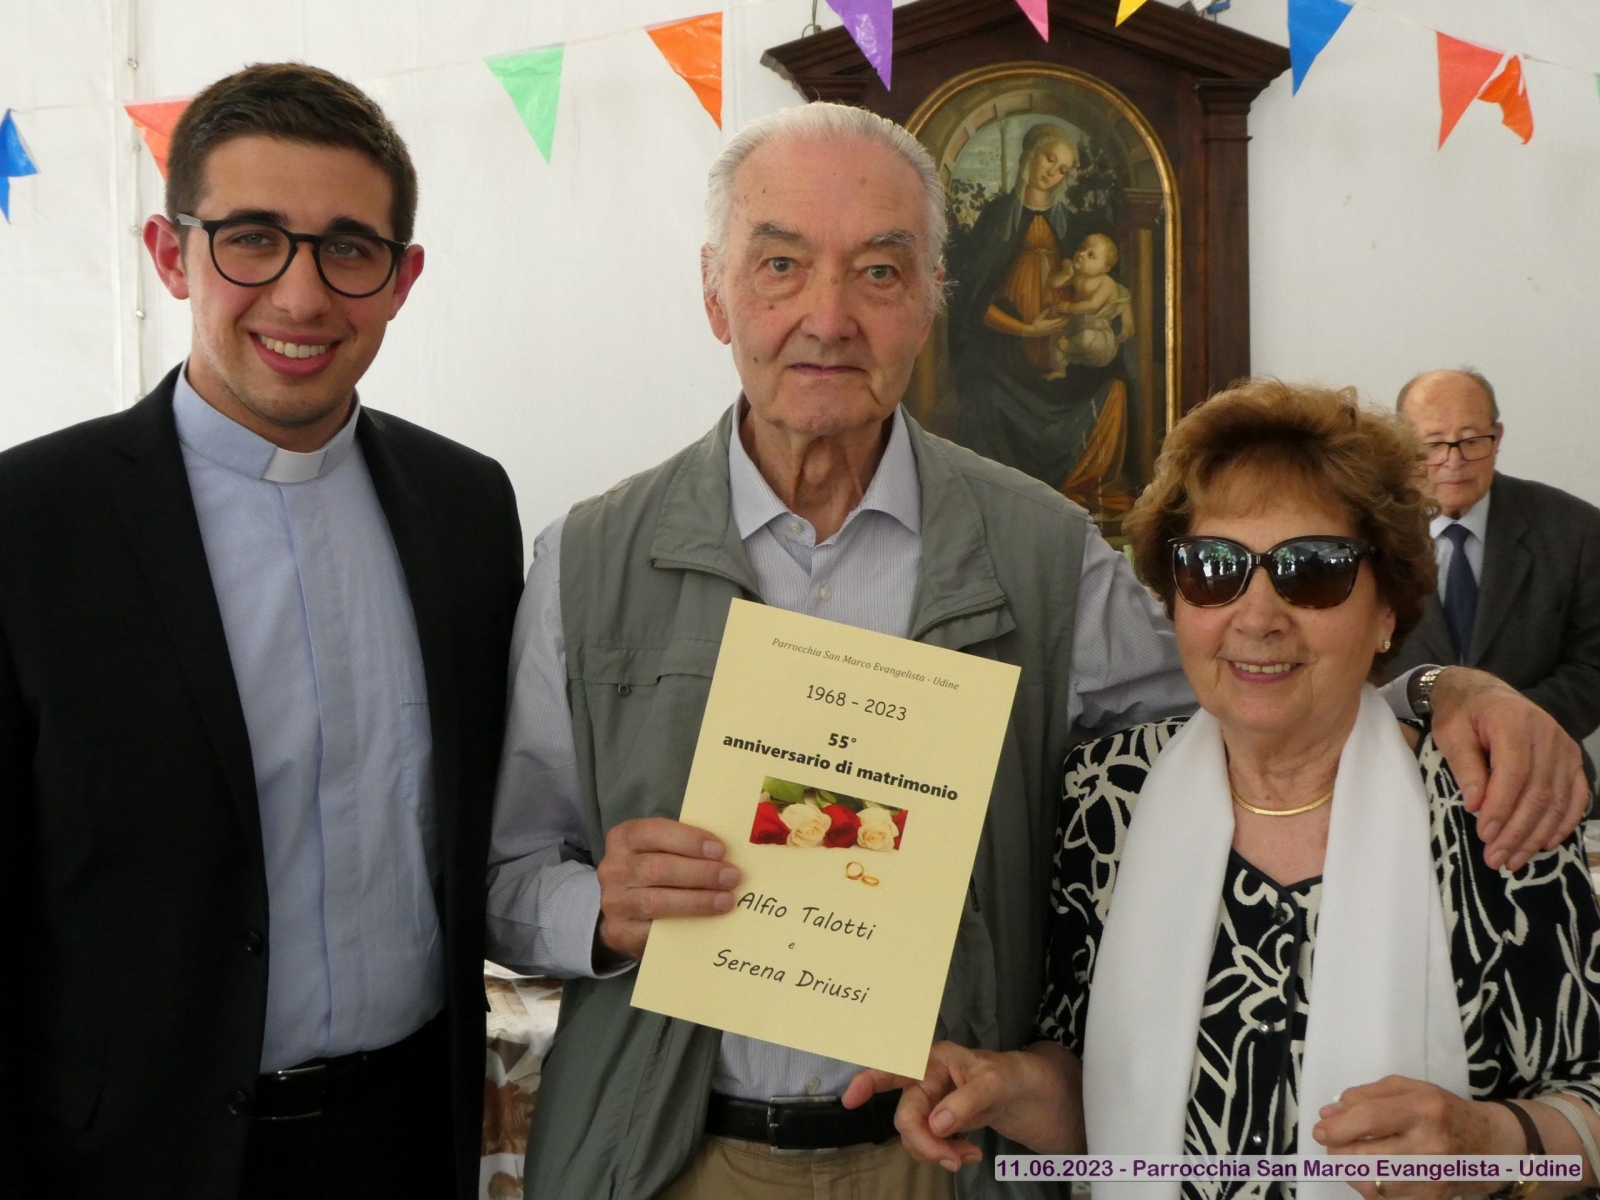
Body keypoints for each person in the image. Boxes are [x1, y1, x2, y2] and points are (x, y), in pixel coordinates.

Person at [484, 104, 1585, 1200]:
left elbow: (1249, 679)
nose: (828, 317)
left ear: (932, 297)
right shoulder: (588, 559)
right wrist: (601, 913)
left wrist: (1441, 687)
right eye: (780, 265)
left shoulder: (1044, 553)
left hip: (946, 1160)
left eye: (878, 271)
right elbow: (505, 877)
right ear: (714, 290)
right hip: (669, 1156)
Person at [851, 382, 1600, 1200]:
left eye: (1313, 571)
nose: (1258, 615)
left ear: (1387, 608)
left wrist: (1495, 1144)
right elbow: (1100, 1099)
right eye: (1214, 570)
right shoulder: (1108, 796)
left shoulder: (1494, 801)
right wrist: (1006, 1086)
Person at [0, 64, 523, 1199]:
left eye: (348, 248)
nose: (300, 295)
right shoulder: (28, 523)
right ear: (170, 253)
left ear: (401, 280)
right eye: (252, 239)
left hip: (405, 1141)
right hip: (130, 1160)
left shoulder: (469, 507)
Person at [1384, 368, 1600, 783]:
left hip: (1541, 769)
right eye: (1433, 445)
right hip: (1400, 770)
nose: (1454, 461)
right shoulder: (1371, 533)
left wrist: (1503, 723)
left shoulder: (1576, 530)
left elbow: (1592, 666)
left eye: (1471, 441)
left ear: (1497, 438)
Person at [946, 120, 1130, 499]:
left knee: (1113, 389)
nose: (1053, 173)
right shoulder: (997, 217)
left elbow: (1106, 287)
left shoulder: (1075, 228)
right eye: (1049, 159)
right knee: (983, 397)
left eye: (1062, 169)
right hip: (1006, 351)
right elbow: (974, 299)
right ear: (1030, 155)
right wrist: (1026, 330)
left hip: (1063, 349)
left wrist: (1114, 312)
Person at [1043, 232, 1133, 377]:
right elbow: (1053, 283)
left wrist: (1070, 307)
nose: (1081, 254)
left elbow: (1093, 305)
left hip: (1098, 333)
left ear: (1104, 268)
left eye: (1091, 255)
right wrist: (1066, 274)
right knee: (1056, 337)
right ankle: (1059, 369)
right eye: (1082, 248)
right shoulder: (1078, 275)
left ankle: (1071, 347)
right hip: (1077, 324)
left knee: (1086, 338)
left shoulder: (1106, 283)